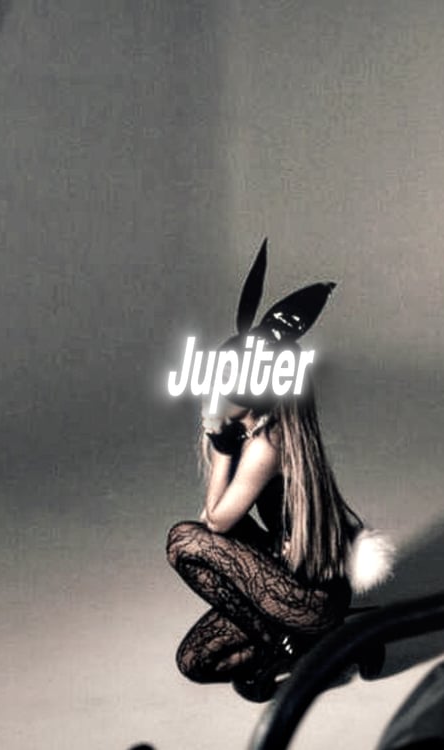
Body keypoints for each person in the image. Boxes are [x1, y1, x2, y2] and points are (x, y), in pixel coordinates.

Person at [165, 240, 394, 701]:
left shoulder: (265, 447)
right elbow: (217, 524)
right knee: (193, 661)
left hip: (309, 596)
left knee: (182, 540)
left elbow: (214, 525)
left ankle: (291, 642)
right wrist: (224, 437)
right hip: (278, 574)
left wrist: (219, 444)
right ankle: (310, 643)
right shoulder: (253, 435)